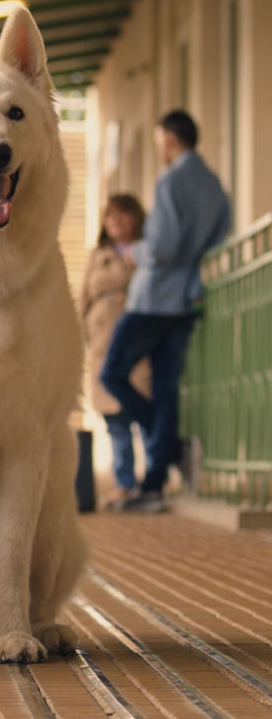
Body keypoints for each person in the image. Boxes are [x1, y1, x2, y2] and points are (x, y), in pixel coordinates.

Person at [100, 110, 230, 512]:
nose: (160, 150)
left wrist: (135, 251)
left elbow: (161, 248)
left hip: (154, 298)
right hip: (187, 301)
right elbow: (218, 241)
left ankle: (167, 446)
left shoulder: (172, 180)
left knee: (112, 373)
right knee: (165, 391)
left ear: (171, 141)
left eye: (160, 143)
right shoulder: (215, 187)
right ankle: (154, 482)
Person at [80, 194, 151, 509]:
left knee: (143, 410)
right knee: (114, 419)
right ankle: (124, 483)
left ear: (135, 218)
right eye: (111, 218)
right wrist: (84, 333)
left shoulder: (147, 250)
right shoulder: (98, 256)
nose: (116, 223)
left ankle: (152, 482)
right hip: (101, 341)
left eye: (122, 216)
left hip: (137, 339)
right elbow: (83, 296)